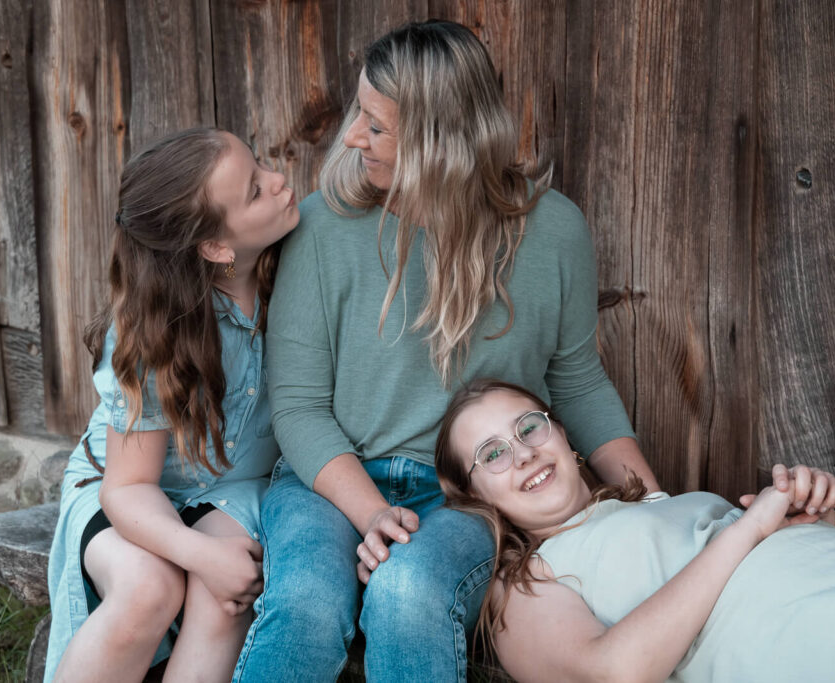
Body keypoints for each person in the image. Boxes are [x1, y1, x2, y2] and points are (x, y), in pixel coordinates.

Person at [233, 19, 661, 682]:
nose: (351, 137)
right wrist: (372, 513)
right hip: (328, 479)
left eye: (375, 125)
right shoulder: (322, 227)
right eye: (358, 117)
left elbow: (577, 382)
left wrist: (655, 506)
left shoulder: (552, 232)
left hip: (466, 495)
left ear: (437, 139)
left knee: (409, 595)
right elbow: (298, 407)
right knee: (306, 604)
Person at [434, 378, 835, 683]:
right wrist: (753, 526)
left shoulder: (660, 505)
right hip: (822, 639)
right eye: (493, 454)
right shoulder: (525, 585)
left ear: (563, 435)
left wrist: (809, 515)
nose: (523, 453)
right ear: (475, 497)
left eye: (529, 427)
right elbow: (610, 674)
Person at [44, 127, 299, 683]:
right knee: (147, 588)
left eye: (263, 167)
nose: (280, 182)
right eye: (255, 190)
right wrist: (198, 554)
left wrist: (213, 563)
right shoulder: (154, 329)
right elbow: (129, 485)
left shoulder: (300, 273)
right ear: (215, 247)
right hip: (127, 488)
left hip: (233, 487)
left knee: (227, 593)